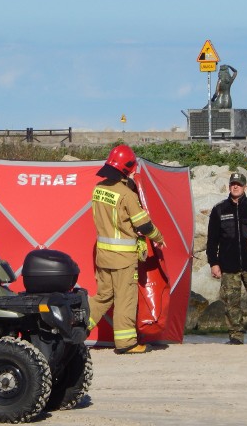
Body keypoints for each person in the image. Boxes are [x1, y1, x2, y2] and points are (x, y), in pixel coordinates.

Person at [88, 144, 164, 354]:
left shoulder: (98, 189)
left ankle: (77, 330)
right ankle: (126, 343)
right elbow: (144, 225)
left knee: (103, 297)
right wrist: (158, 237)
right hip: (123, 259)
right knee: (125, 298)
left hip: (103, 257)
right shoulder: (126, 195)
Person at [206, 172, 247, 345]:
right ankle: (236, 336)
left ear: (245, 187)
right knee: (231, 303)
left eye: (239, 184)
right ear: (229, 186)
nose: (236, 186)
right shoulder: (219, 210)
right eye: (233, 184)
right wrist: (213, 263)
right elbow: (212, 240)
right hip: (228, 265)